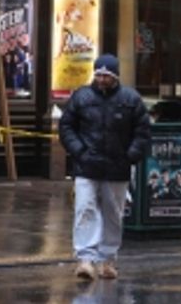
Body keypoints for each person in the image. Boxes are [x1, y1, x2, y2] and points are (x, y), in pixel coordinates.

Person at [58, 54, 150, 282]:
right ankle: (86, 258)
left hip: (114, 166)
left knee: (113, 214)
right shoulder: (82, 97)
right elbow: (66, 126)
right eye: (98, 74)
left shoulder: (130, 99)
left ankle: (106, 258)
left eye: (106, 75)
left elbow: (142, 132)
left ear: (115, 76)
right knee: (84, 209)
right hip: (88, 165)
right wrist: (80, 152)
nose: (101, 79)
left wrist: (129, 156)